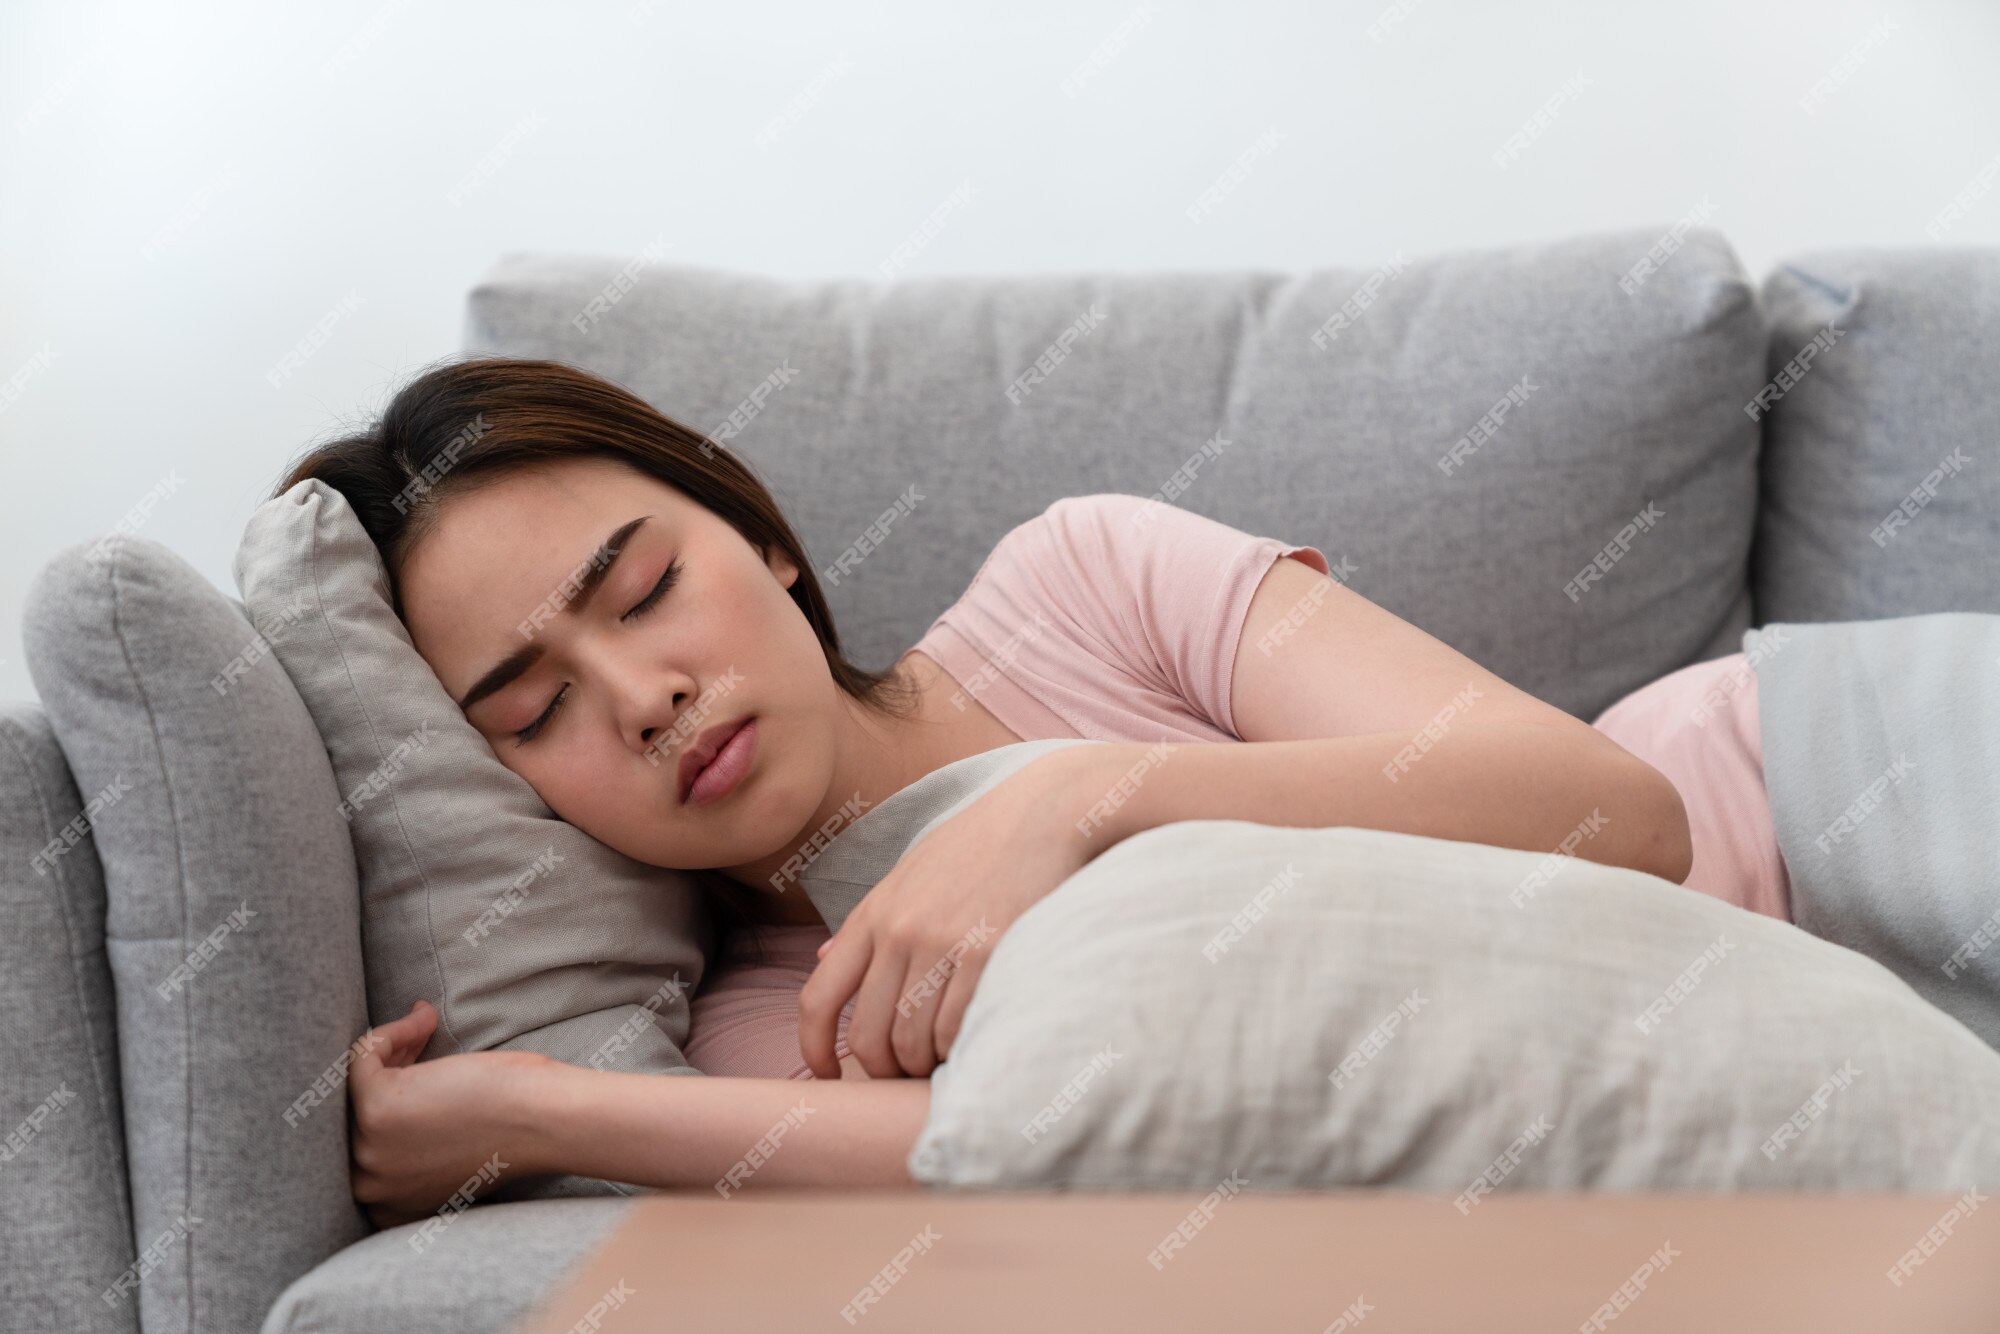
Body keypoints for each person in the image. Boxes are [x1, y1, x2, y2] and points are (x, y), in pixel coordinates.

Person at [279, 356, 1700, 1229]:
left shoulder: (1086, 580)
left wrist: (1077, 800)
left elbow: (1618, 813)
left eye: (647, 589)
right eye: (537, 711)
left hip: (1772, 782)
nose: (644, 698)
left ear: (763, 534)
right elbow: (1032, 1161)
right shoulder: (774, 1023)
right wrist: (545, 1109)